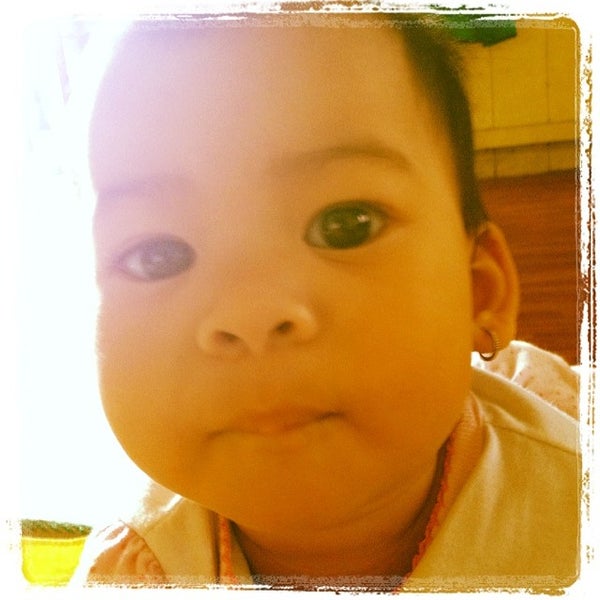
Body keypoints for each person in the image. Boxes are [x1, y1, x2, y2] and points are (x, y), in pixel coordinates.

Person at [70, 11, 579, 592]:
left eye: (345, 225)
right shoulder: (136, 573)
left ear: (479, 290)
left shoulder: (573, 521)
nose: (249, 313)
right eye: (157, 255)